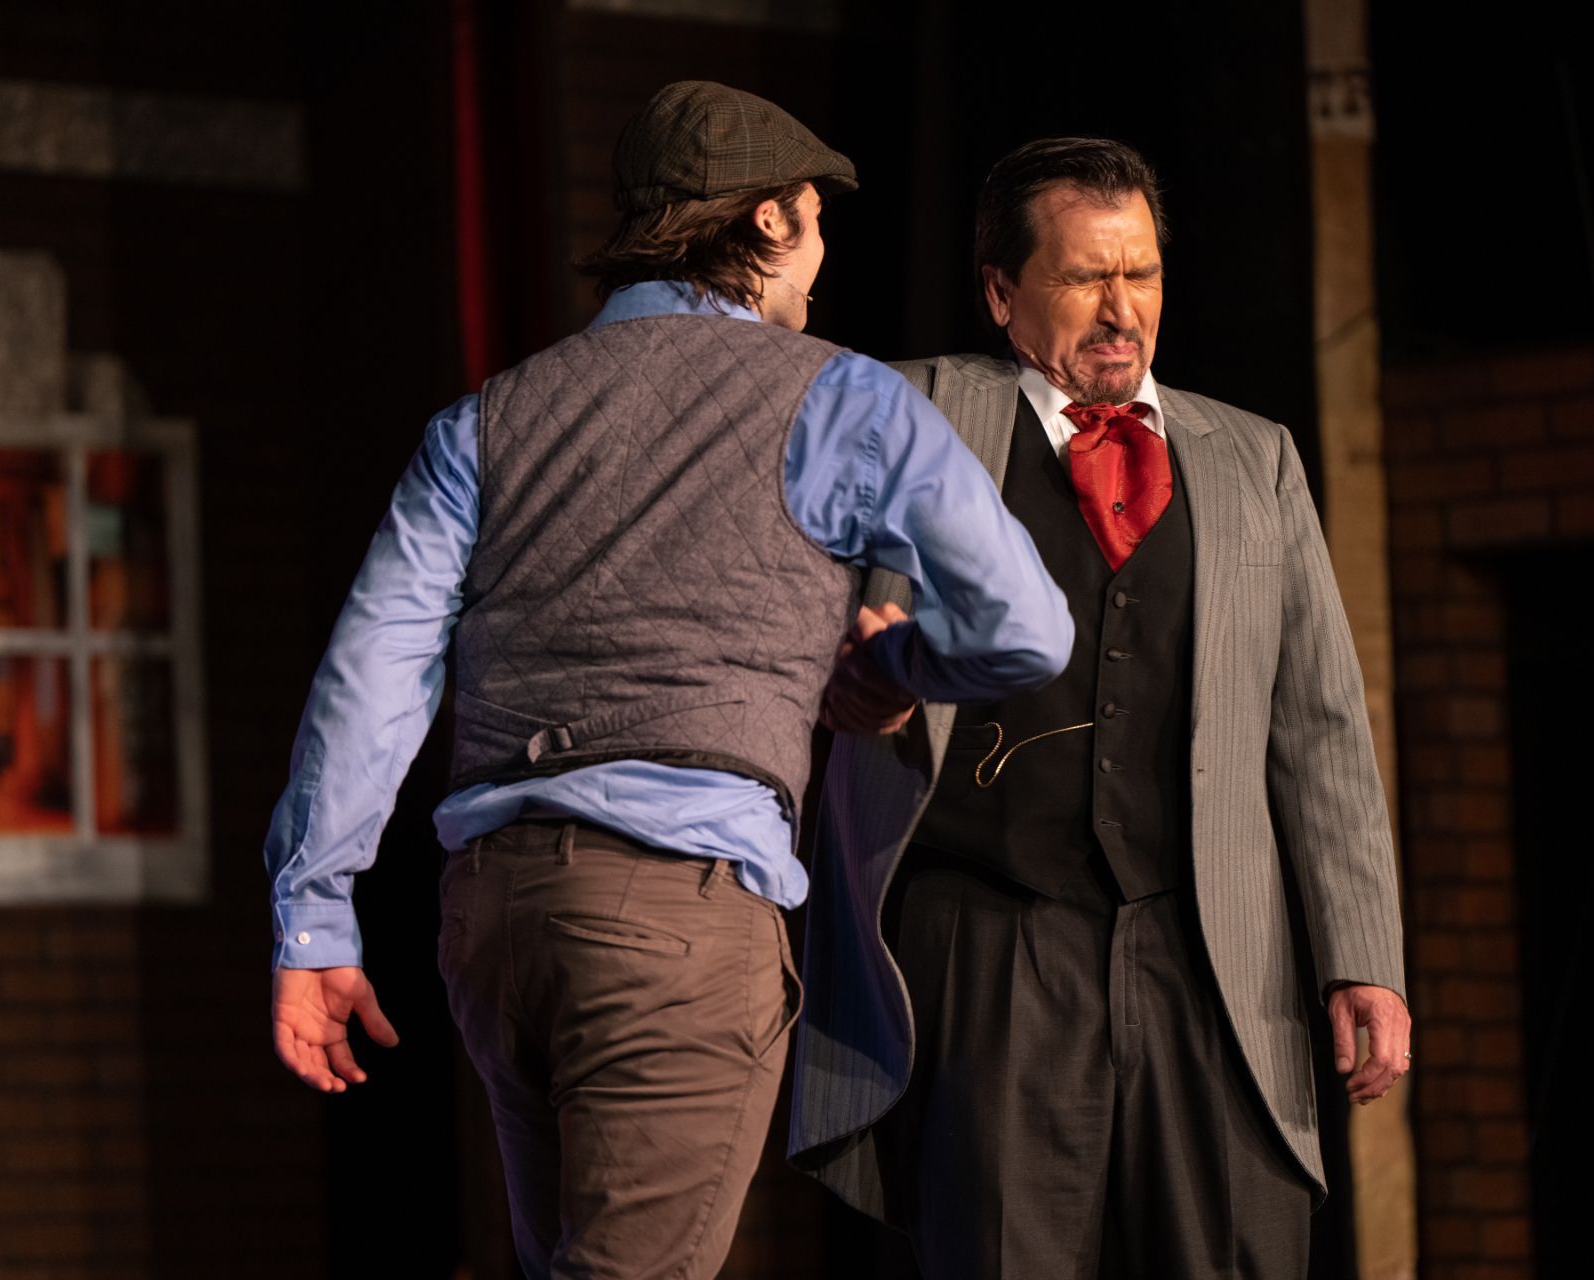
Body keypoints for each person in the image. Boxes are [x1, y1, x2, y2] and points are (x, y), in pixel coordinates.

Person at [261, 82, 1072, 1280]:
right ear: (767, 221)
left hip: (493, 917)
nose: (823, 259)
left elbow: (369, 672)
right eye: (814, 222)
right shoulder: (843, 398)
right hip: (674, 912)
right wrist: (887, 666)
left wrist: (315, 916)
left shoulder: (485, 420)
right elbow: (1028, 629)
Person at [789, 137, 1411, 1278]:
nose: (1123, 309)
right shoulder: (917, 413)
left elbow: (1320, 726)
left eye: (1143, 274)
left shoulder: (1256, 458)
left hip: (1209, 953)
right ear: (1002, 293)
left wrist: (1361, 954)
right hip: (993, 943)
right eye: (1085, 277)